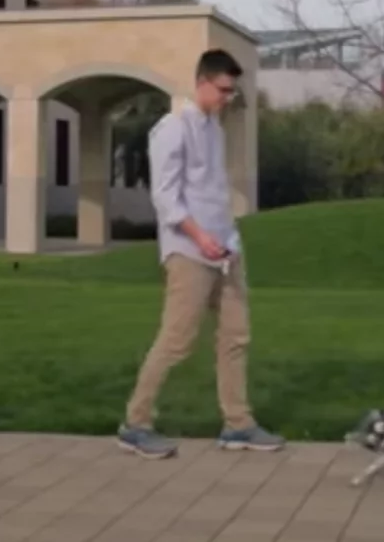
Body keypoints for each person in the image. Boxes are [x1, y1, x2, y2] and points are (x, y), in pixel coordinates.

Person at [118, 49, 285, 459]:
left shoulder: (215, 130)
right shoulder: (172, 129)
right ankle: (135, 425)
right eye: (223, 90)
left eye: (232, 91)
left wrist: (227, 240)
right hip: (189, 252)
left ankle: (238, 424)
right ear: (202, 82)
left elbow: (212, 192)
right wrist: (200, 237)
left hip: (226, 250)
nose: (228, 98)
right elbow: (165, 198)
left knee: (236, 337)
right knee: (176, 341)